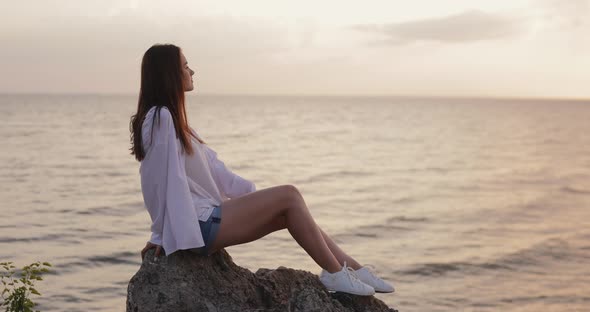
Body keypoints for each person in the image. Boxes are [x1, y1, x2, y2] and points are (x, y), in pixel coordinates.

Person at [129, 43, 394, 296]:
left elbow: (222, 176)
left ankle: (353, 269)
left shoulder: (181, 126)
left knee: (289, 211)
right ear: (170, 74)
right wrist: (160, 234)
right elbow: (157, 181)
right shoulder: (159, 117)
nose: (192, 71)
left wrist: (259, 200)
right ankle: (335, 273)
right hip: (199, 225)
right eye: (186, 66)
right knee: (289, 194)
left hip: (207, 220)